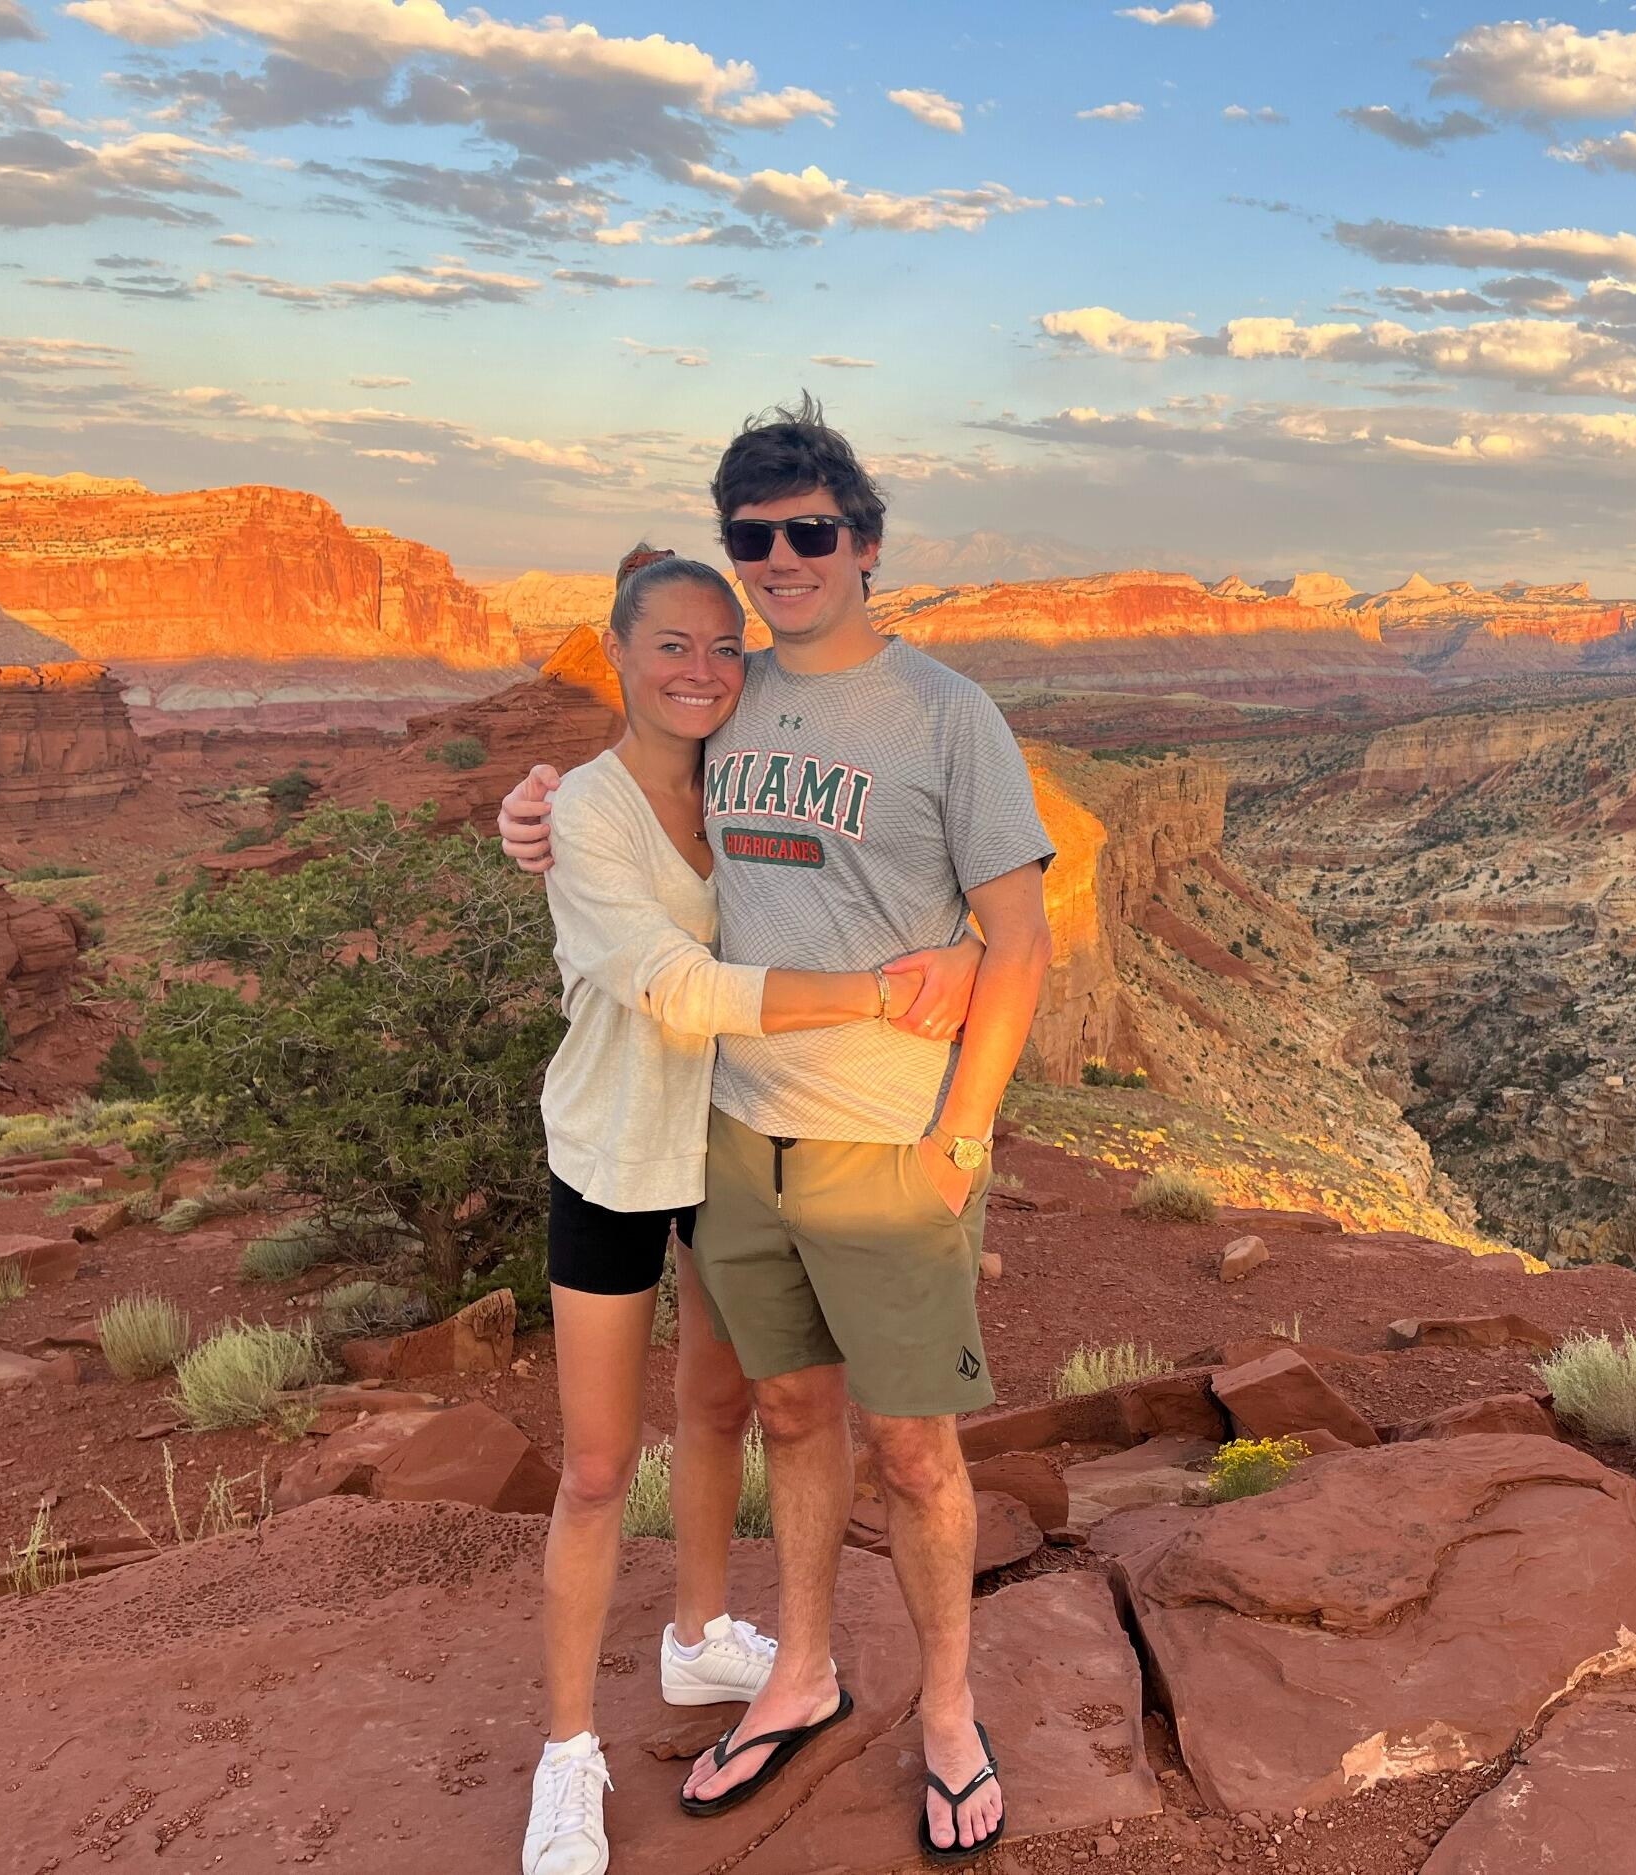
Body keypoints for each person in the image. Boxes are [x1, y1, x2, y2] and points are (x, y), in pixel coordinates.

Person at [502, 396, 1054, 1865]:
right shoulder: (731, 696)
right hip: (737, 1141)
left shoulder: (949, 715)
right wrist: (536, 806)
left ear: (865, 545)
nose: (783, 558)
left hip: (890, 1145)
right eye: (757, 538)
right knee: (793, 1417)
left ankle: (947, 1712)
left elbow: (1021, 944)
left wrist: (963, 1140)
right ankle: (799, 1672)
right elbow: (642, 783)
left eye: (812, 531)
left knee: (920, 1455)